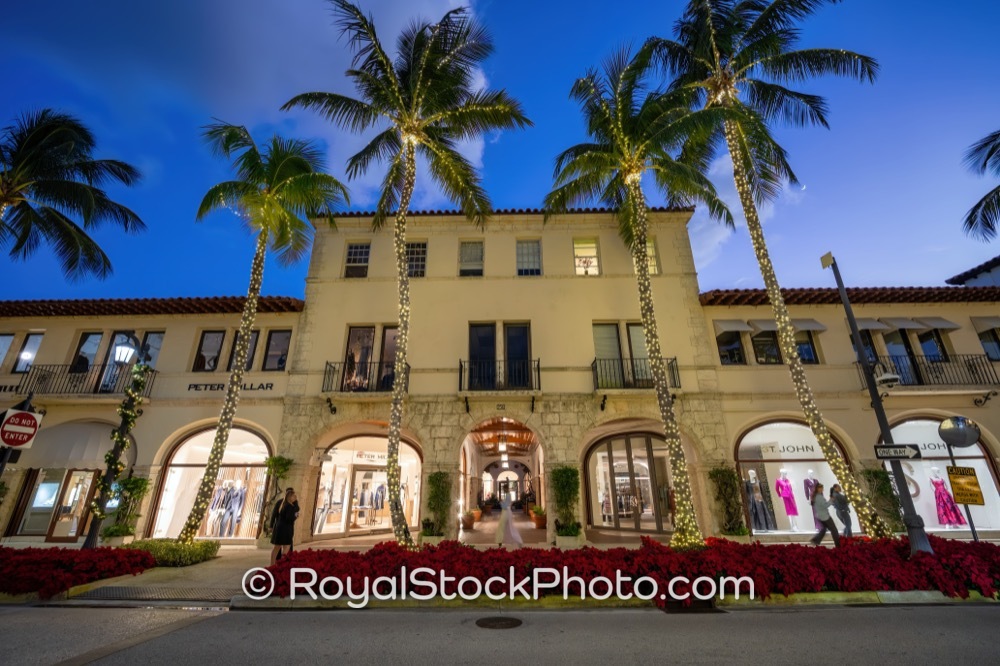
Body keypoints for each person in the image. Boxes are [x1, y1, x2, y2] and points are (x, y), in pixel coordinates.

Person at [270, 488, 300, 565]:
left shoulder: (283, 504)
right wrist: (296, 516)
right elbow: (289, 518)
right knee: (286, 547)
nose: (295, 497)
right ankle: (282, 565)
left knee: (277, 547)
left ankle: (272, 564)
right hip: (286, 529)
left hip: (279, 528)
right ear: (290, 497)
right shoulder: (289, 506)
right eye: (294, 496)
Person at [809, 482, 840, 548]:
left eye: (822, 488)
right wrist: (831, 500)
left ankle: (815, 540)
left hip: (820, 516)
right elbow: (825, 505)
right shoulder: (819, 497)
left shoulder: (816, 496)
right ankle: (838, 545)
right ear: (817, 489)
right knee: (834, 530)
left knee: (824, 529)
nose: (822, 489)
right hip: (825, 516)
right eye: (820, 488)